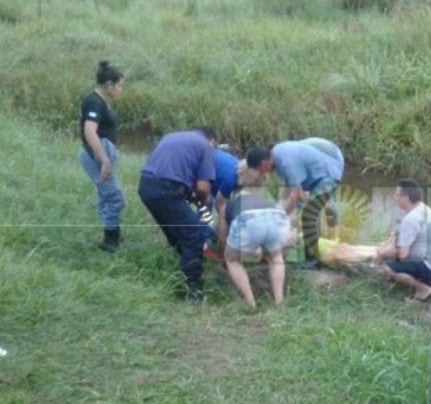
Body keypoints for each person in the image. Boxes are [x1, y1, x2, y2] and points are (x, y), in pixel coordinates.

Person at [137, 127, 217, 303]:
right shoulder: (205, 146)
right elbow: (203, 188)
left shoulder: (170, 136)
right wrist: (200, 202)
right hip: (168, 190)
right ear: (212, 141)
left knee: (176, 234)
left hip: (145, 186)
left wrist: (188, 195)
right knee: (193, 236)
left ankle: (179, 273)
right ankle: (192, 290)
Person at [246, 137, 344, 269]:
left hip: (327, 176)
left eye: (259, 169)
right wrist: (278, 208)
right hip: (317, 177)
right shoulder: (277, 157)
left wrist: (280, 218)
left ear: (264, 161)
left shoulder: (286, 161)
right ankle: (316, 251)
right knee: (310, 214)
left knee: (309, 215)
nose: (261, 173)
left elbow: (296, 194)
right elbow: (290, 188)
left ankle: (314, 261)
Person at [220, 160, 295, 308]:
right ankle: (279, 301)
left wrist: (224, 252)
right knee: (275, 257)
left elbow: (223, 234)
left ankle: (250, 303)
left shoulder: (231, 202)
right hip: (276, 216)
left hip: (248, 220)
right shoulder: (265, 199)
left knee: (232, 260)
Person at [375, 178, 431, 302]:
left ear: (405, 198)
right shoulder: (422, 209)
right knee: (391, 255)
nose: (394, 198)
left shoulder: (411, 219)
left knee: (388, 268)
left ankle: (423, 289)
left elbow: (402, 254)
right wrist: (388, 244)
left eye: (396, 195)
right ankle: (426, 281)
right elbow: (398, 236)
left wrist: (382, 254)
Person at [79, 60, 126, 253]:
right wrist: (104, 159)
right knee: (115, 198)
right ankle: (110, 240)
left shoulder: (99, 101)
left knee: (106, 195)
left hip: (101, 153)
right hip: (98, 155)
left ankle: (112, 231)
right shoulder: (94, 102)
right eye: (119, 86)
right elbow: (90, 132)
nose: (121, 90)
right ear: (108, 85)